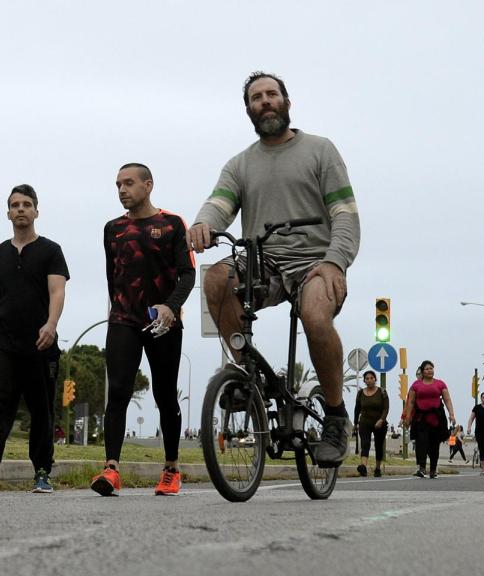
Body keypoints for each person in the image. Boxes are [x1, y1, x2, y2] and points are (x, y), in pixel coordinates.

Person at [187, 71, 360, 468]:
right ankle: (243, 370)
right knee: (216, 276)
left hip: (315, 262)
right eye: (256, 97)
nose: (264, 101)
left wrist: (336, 261)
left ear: (286, 101)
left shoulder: (320, 150)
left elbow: (345, 214)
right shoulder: (240, 163)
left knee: (316, 317)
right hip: (263, 260)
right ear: (248, 109)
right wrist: (203, 225)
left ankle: (335, 417)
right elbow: (220, 204)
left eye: (271, 94)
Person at [90, 164, 195, 497]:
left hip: (162, 322)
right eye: (118, 184)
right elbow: (113, 275)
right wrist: (117, 309)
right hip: (123, 320)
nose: (122, 190)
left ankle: (171, 469)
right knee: (118, 391)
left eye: (129, 183)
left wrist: (170, 306)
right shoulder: (112, 229)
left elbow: (188, 275)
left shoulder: (172, 224)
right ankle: (111, 470)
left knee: (165, 395)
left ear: (148, 185)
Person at [0, 184, 69, 493]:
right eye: (15, 204)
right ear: (8, 212)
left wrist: (51, 323)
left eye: (27, 204)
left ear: (36, 211)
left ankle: (43, 473)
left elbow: (57, 291)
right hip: (3, 342)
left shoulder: (51, 251)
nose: (21, 209)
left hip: (40, 344)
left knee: (41, 410)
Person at [401, 361, 457, 478]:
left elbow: (447, 400)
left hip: (436, 419)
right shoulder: (416, 385)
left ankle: (433, 469)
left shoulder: (440, 384)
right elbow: (410, 402)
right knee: (421, 443)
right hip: (421, 419)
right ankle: (421, 468)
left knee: (434, 444)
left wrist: (451, 414)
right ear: (422, 371)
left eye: (431, 368)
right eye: (427, 369)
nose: (429, 370)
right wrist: (407, 417)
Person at [353, 370, 389, 477]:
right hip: (365, 422)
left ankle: (377, 468)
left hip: (379, 423)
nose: (369, 380)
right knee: (365, 443)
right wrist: (355, 423)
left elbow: (386, 408)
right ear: (364, 381)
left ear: (375, 379)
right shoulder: (360, 393)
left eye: (371, 378)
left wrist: (381, 420)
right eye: (367, 378)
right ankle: (363, 467)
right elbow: (357, 409)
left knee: (378, 445)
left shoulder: (382, 392)